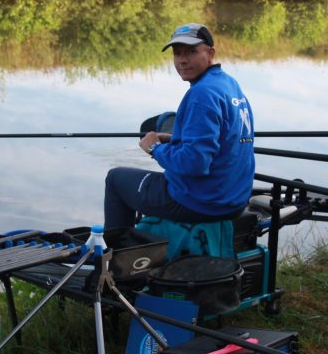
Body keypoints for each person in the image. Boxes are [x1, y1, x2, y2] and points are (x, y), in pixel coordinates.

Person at [104, 23, 255, 230]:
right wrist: (174, 139)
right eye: (177, 53)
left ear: (210, 53)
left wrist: (155, 148)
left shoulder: (201, 95)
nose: (183, 60)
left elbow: (195, 164)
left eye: (191, 52)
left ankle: (120, 254)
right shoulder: (228, 83)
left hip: (201, 203)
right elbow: (218, 141)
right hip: (233, 199)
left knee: (115, 179)